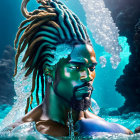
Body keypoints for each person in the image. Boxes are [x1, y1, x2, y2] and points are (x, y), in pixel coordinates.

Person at [5, 0, 133, 137]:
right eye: (76, 67)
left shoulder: (116, 131)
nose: (88, 76)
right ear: (49, 69)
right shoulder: (18, 134)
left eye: (91, 68)